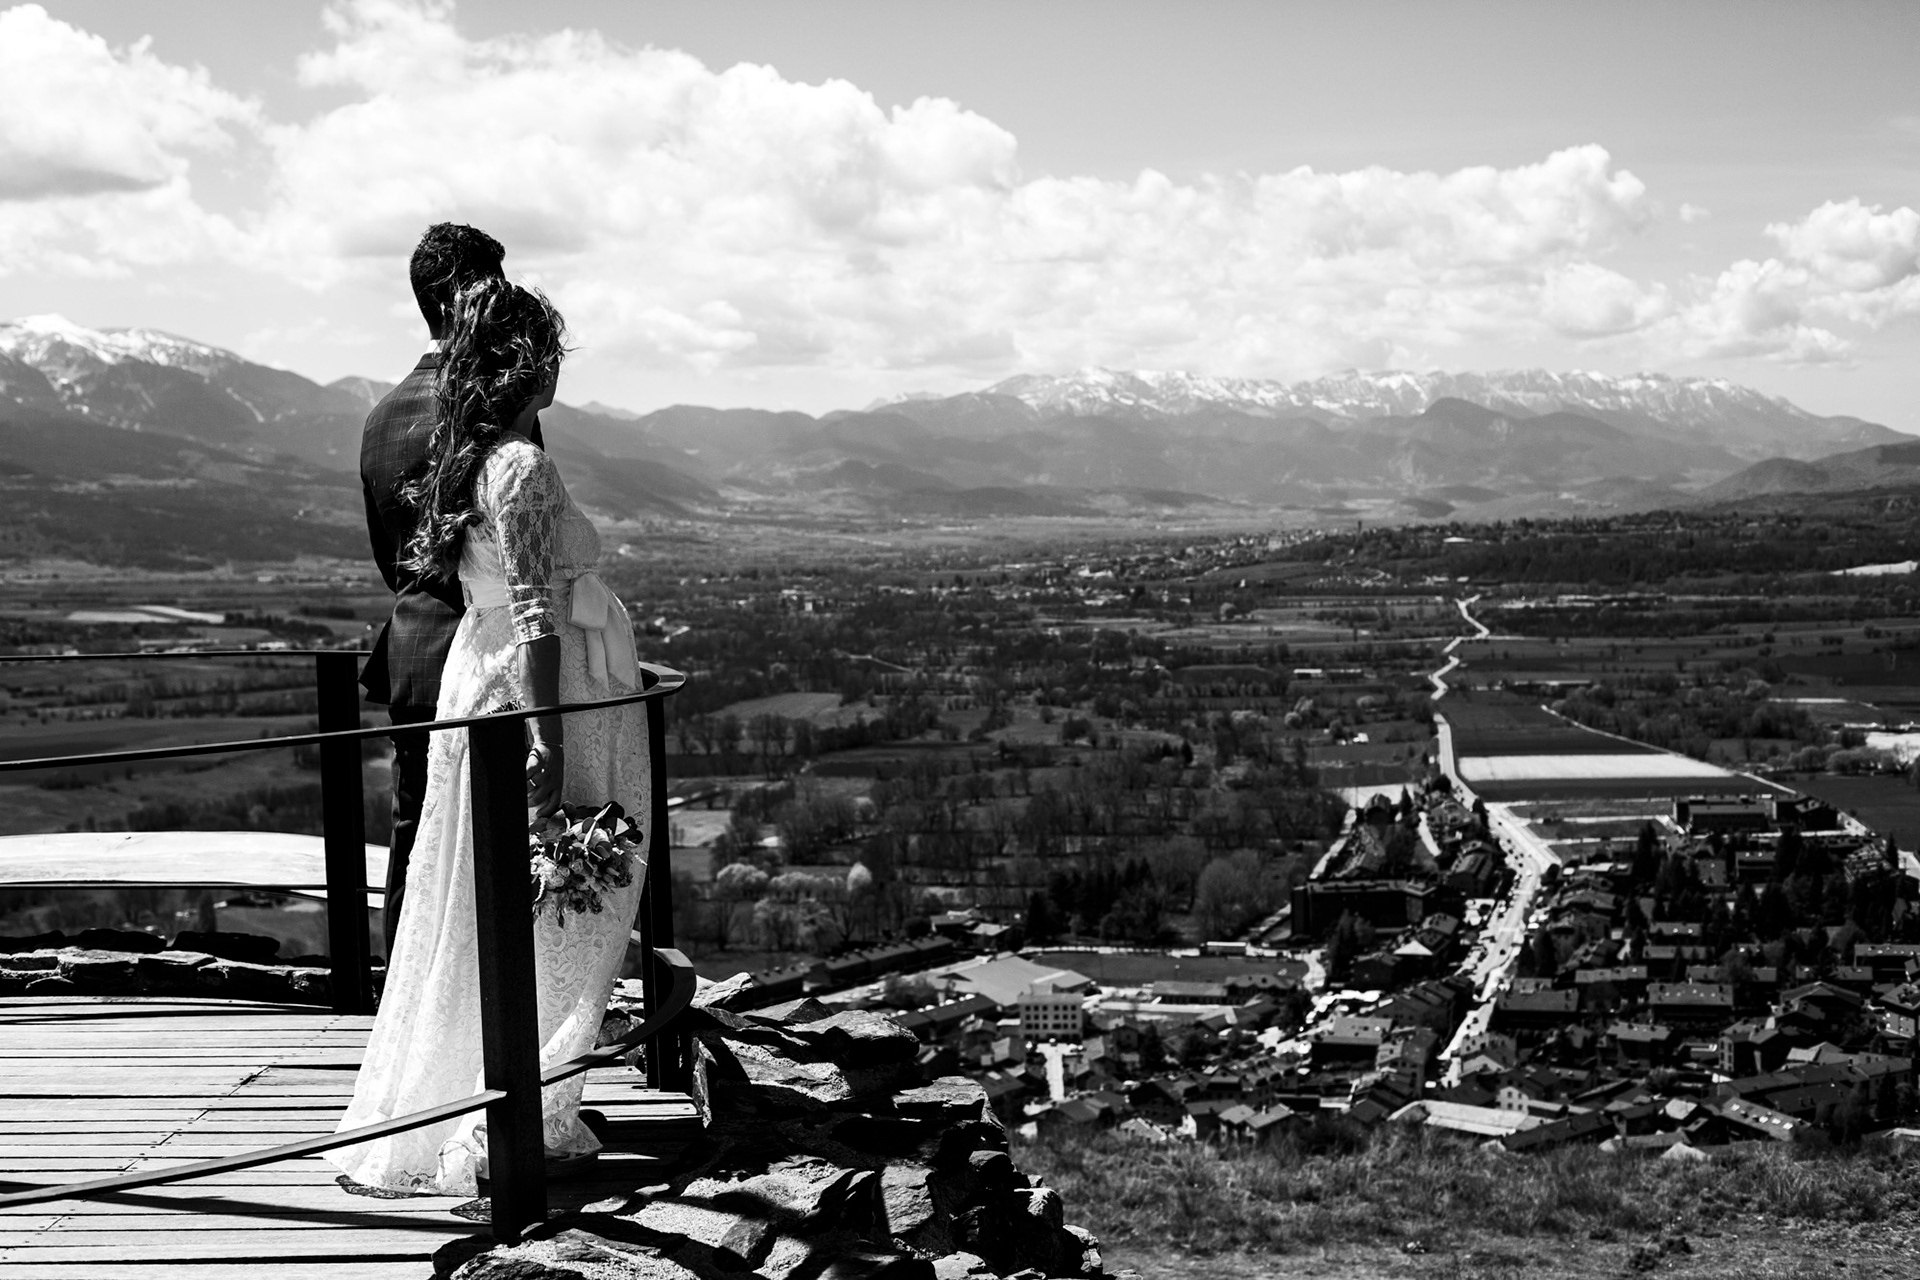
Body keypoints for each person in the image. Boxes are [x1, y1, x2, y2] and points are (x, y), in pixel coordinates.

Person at [329, 279, 648, 1193]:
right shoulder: (522, 466)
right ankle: (506, 1115)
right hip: (542, 689)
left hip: (481, 671)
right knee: (569, 892)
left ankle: (481, 1095)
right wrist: (550, 735)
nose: (557, 367)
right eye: (550, 350)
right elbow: (538, 608)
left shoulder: (466, 458)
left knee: (487, 894)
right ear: (526, 363)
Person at [360, 223, 542, 956]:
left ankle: (398, 993)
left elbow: (390, 557)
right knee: (499, 842)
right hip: (487, 654)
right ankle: (500, 1007)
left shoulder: (379, 417)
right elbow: (518, 550)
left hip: (411, 653)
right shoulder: (490, 403)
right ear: (481, 291)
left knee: (417, 838)